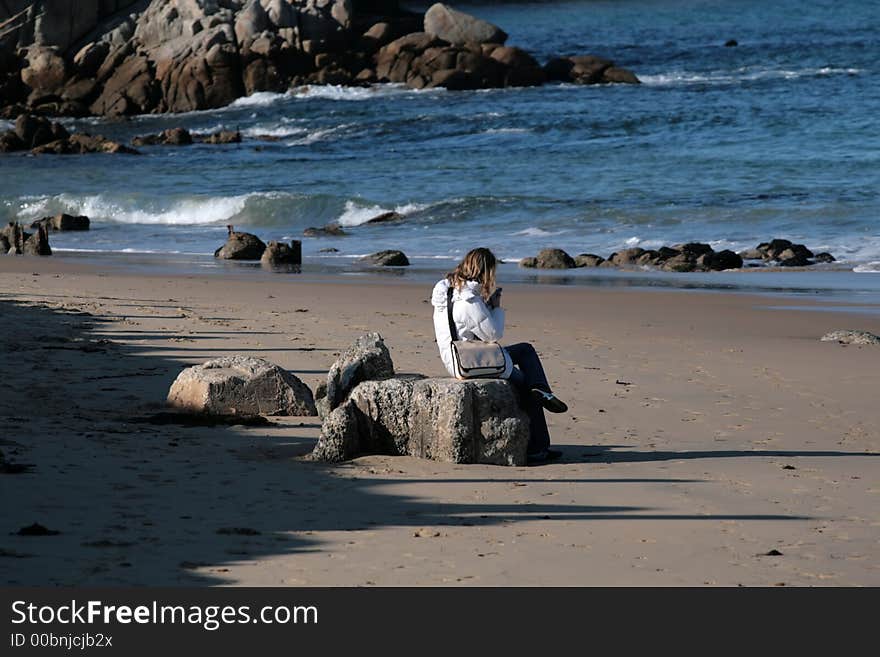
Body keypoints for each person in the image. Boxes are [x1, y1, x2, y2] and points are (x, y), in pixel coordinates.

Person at [431, 247, 567, 463]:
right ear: (485, 271)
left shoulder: (446, 290)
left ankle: (542, 391)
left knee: (525, 351)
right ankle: (538, 446)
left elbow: (466, 328)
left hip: (455, 357)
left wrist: (484, 304)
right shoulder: (469, 302)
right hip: (471, 363)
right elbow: (494, 333)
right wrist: (495, 307)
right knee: (528, 386)